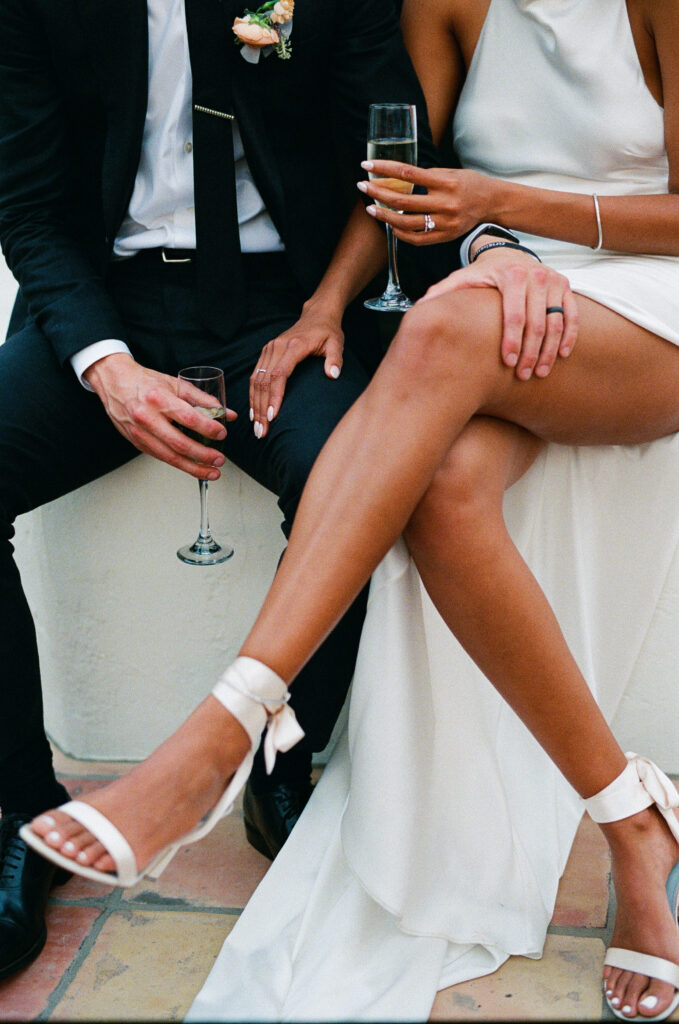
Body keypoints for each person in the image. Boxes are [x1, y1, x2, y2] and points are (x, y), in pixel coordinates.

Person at [18, 0, 679, 1018]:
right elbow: (402, 177)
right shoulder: (443, 2)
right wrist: (341, 299)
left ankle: (227, 733)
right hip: (498, 293)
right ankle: (632, 820)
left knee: (432, 342)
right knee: (444, 494)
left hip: (646, 296)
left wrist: (496, 219)